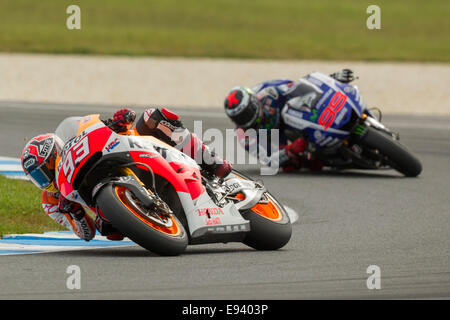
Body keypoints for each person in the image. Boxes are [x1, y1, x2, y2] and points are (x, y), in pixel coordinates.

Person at [20, 107, 232, 242]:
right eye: (38, 178)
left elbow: (96, 128)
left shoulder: (74, 145)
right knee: (109, 233)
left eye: (45, 170)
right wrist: (74, 213)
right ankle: (152, 218)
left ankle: (213, 161)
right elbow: (86, 233)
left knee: (153, 116)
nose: (45, 180)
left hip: (129, 149)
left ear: (56, 152)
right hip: (105, 205)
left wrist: (117, 122)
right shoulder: (51, 202)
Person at [224, 69, 356, 172]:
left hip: (295, 115)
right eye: (240, 118)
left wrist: (331, 79)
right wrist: (291, 150)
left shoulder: (268, 91)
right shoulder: (245, 137)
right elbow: (270, 160)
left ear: (254, 102)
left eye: (247, 113)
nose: (245, 119)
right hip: (281, 140)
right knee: (298, 165)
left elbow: (300, 86)